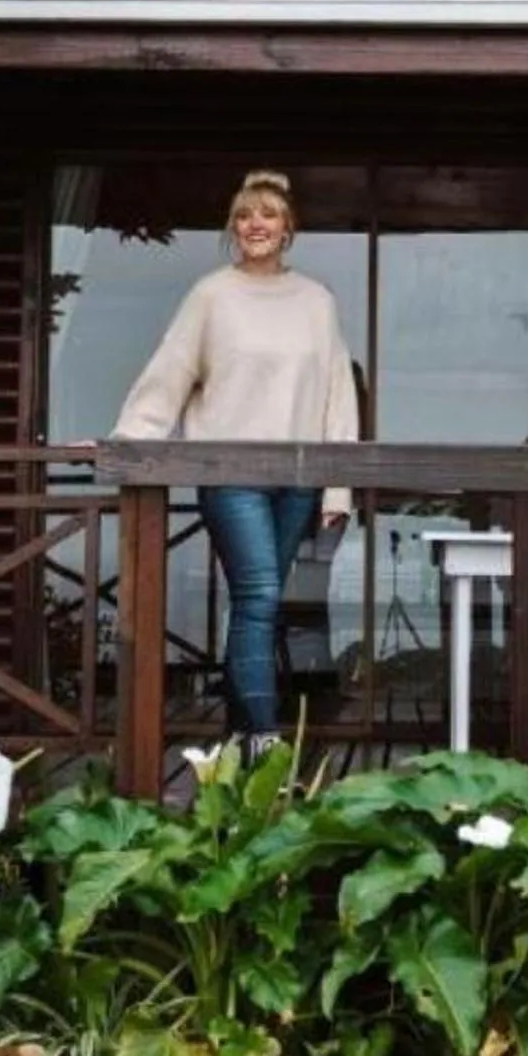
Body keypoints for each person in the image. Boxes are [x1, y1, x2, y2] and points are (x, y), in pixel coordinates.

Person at [114, 170, 360, 754]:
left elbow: (337, 397)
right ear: (233, 227)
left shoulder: (316, 302)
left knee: (265, 603)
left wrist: (338, 488)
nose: (256, 225)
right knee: (258, 597)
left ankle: (239, 731)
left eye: (268, 215)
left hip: (297, 480)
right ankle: (264, 734)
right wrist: (129, 440)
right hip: (230, 477)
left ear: (288, 228)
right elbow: (171, 371)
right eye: (246, 215)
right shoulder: (211, 295)